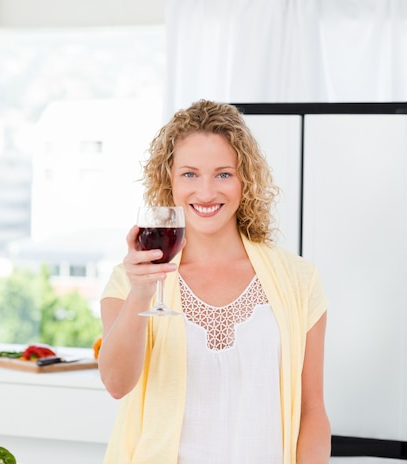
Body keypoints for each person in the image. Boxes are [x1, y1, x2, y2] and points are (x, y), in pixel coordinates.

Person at [98, 99, 330, 464]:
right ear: (169, 180)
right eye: (190, 174)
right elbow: (116, 383)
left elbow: (312, 410)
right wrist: (141, 294)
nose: (206, 193)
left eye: (223, 174)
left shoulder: (299, 280)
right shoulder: (129, 281)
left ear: (245, 181)